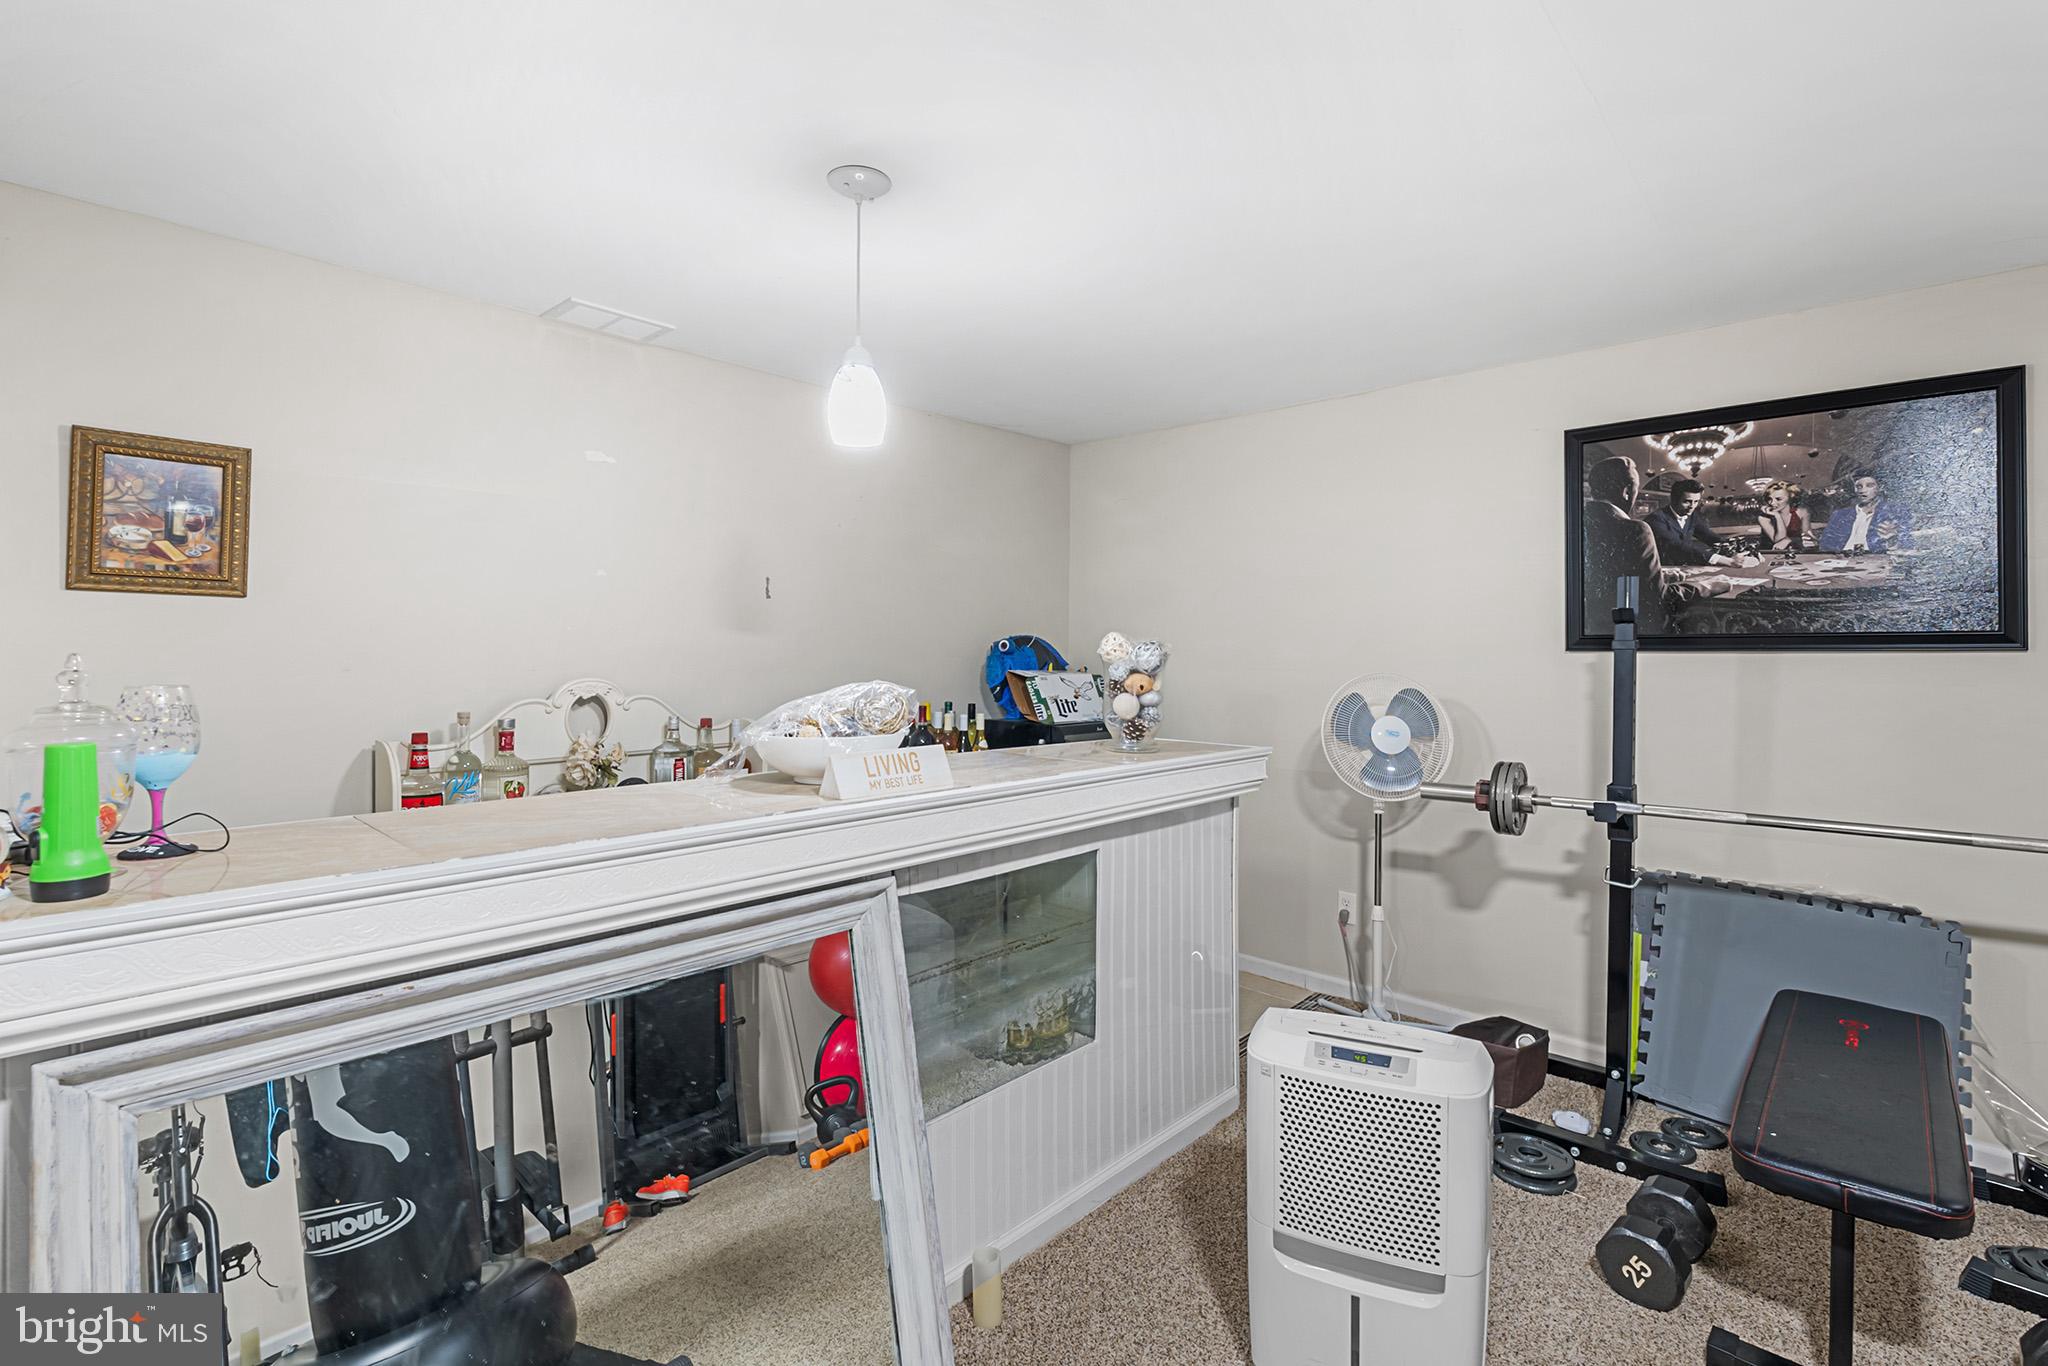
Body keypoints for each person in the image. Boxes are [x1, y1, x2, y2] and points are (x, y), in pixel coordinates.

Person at [1582, 455, 1680, 632]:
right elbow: (1657, 599)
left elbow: (1606, 577)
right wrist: (1711, 586)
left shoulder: (1574, 523)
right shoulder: (1636, 529)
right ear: (1627, 491)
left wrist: (1661, 575)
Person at [1818, 469, 1914, 552]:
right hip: (1841, 561)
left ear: (1880, 488)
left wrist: (1893, 539)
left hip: (1876, 563)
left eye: (1869, 485)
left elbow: (1908, 546)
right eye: (1859, 486)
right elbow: (1825, 545)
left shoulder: (1894, 513)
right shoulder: (1840, 515)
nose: (1863, 490)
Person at [1644, 479, 1724, 566]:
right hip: (1660, 570)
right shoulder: (1656, 518)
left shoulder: (1693, 516)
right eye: (1687, 501)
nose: (1692, 506)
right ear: (1674, 499)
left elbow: (1708, 536)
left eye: (1696, 501)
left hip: (1683, 569)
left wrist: (1728, 544)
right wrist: (1720, 559)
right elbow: (1676, 546)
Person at [1754, 481, 1810, 551]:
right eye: (1769, 499)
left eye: (1778, 499)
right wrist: (1777, 516)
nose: (1772, 503)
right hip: (1769, 554)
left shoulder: (1802, 512)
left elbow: (1807, 538)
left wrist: (1788, 540)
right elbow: (1779, 540)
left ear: (1790, 497)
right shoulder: (1763, 518)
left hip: (1796, 553)